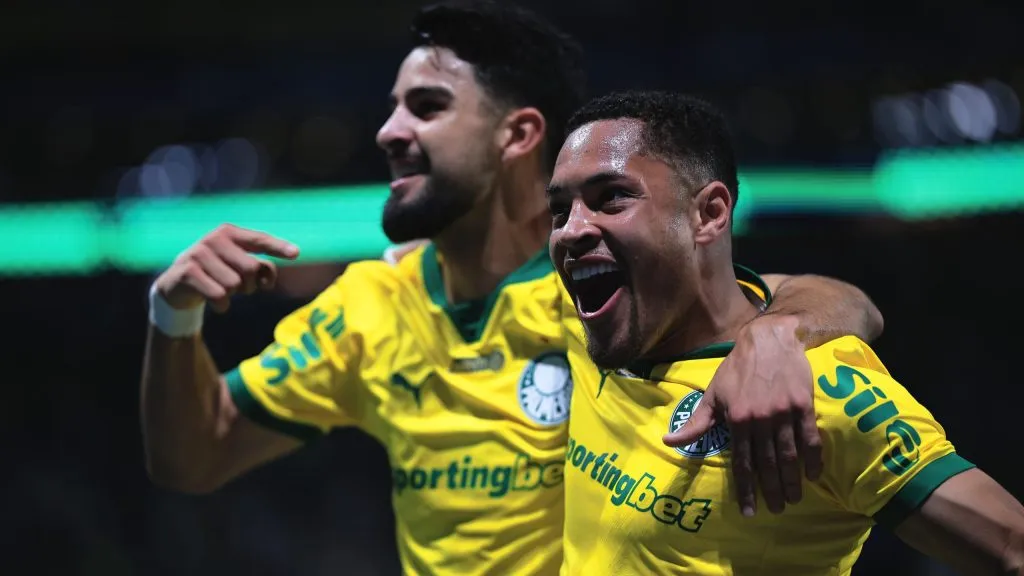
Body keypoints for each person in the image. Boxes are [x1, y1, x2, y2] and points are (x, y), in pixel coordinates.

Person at [140, 2, 883, 574]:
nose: (388, 131)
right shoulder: (369, 308)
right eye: (393, 106)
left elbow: (841, 301)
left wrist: (775, 331)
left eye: (426, 107)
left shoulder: (607, 289)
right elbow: (192, 457)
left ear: (519, 135)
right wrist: (172, 319)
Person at [547, 90, 1024, 575]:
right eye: (561, 210)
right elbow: (835, 295)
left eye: (612, 197)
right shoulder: (584, 315)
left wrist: (780, 333)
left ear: (708, 214)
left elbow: (1013, 547)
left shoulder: (813, 389)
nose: (570, 230)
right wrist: (781, 326)